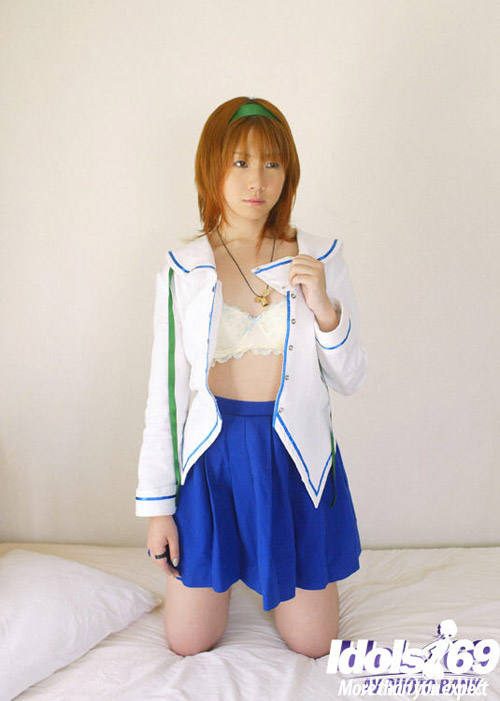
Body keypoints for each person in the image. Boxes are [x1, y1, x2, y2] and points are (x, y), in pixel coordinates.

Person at [135, 96, 368, 659]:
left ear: (288, 172)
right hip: (211, 459)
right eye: (239, 162)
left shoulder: (320, 256)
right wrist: (159, 508)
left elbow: (350, 377)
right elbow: (166, 395)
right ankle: (235, 563)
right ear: (211, 168)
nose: (256, 180)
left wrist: (325, 308)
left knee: (315, 644)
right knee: (188, 641)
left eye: (272, 162)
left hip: (294, 456)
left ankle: (270, 569)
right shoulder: (184, 268)